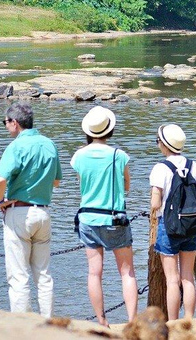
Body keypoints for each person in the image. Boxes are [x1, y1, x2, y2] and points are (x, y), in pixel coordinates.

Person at [0, 102, 62, 317]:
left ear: (15, 123)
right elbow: (57, 181)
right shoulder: (50, 144)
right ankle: (48, 321)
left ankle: (22, 325)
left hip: (19, 212)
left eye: (6, 122)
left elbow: (0, 179)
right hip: (43, 212)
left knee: (18, 275)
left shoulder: (15, 146)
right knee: (43, 274)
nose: (6, 127)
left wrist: (0, 201)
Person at [71, 106, 137, 326]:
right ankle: (131, 321)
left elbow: (82, 183)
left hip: (88, 219)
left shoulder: (79, 155)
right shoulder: (119, 155)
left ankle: (101, 320)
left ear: (88, 131)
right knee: (127, 273)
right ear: (110, 130)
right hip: (115, 219)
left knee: (94, 273)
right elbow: (126, 185)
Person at [149, 123, 196, 320]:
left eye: (158, 141)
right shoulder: (194, 165)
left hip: (169, 227)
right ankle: (189, 319)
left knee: (172, 280)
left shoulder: (161, 168)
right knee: (188, 277)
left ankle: (173, 322)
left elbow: (156, 203)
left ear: (164, 145)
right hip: (191, 226)